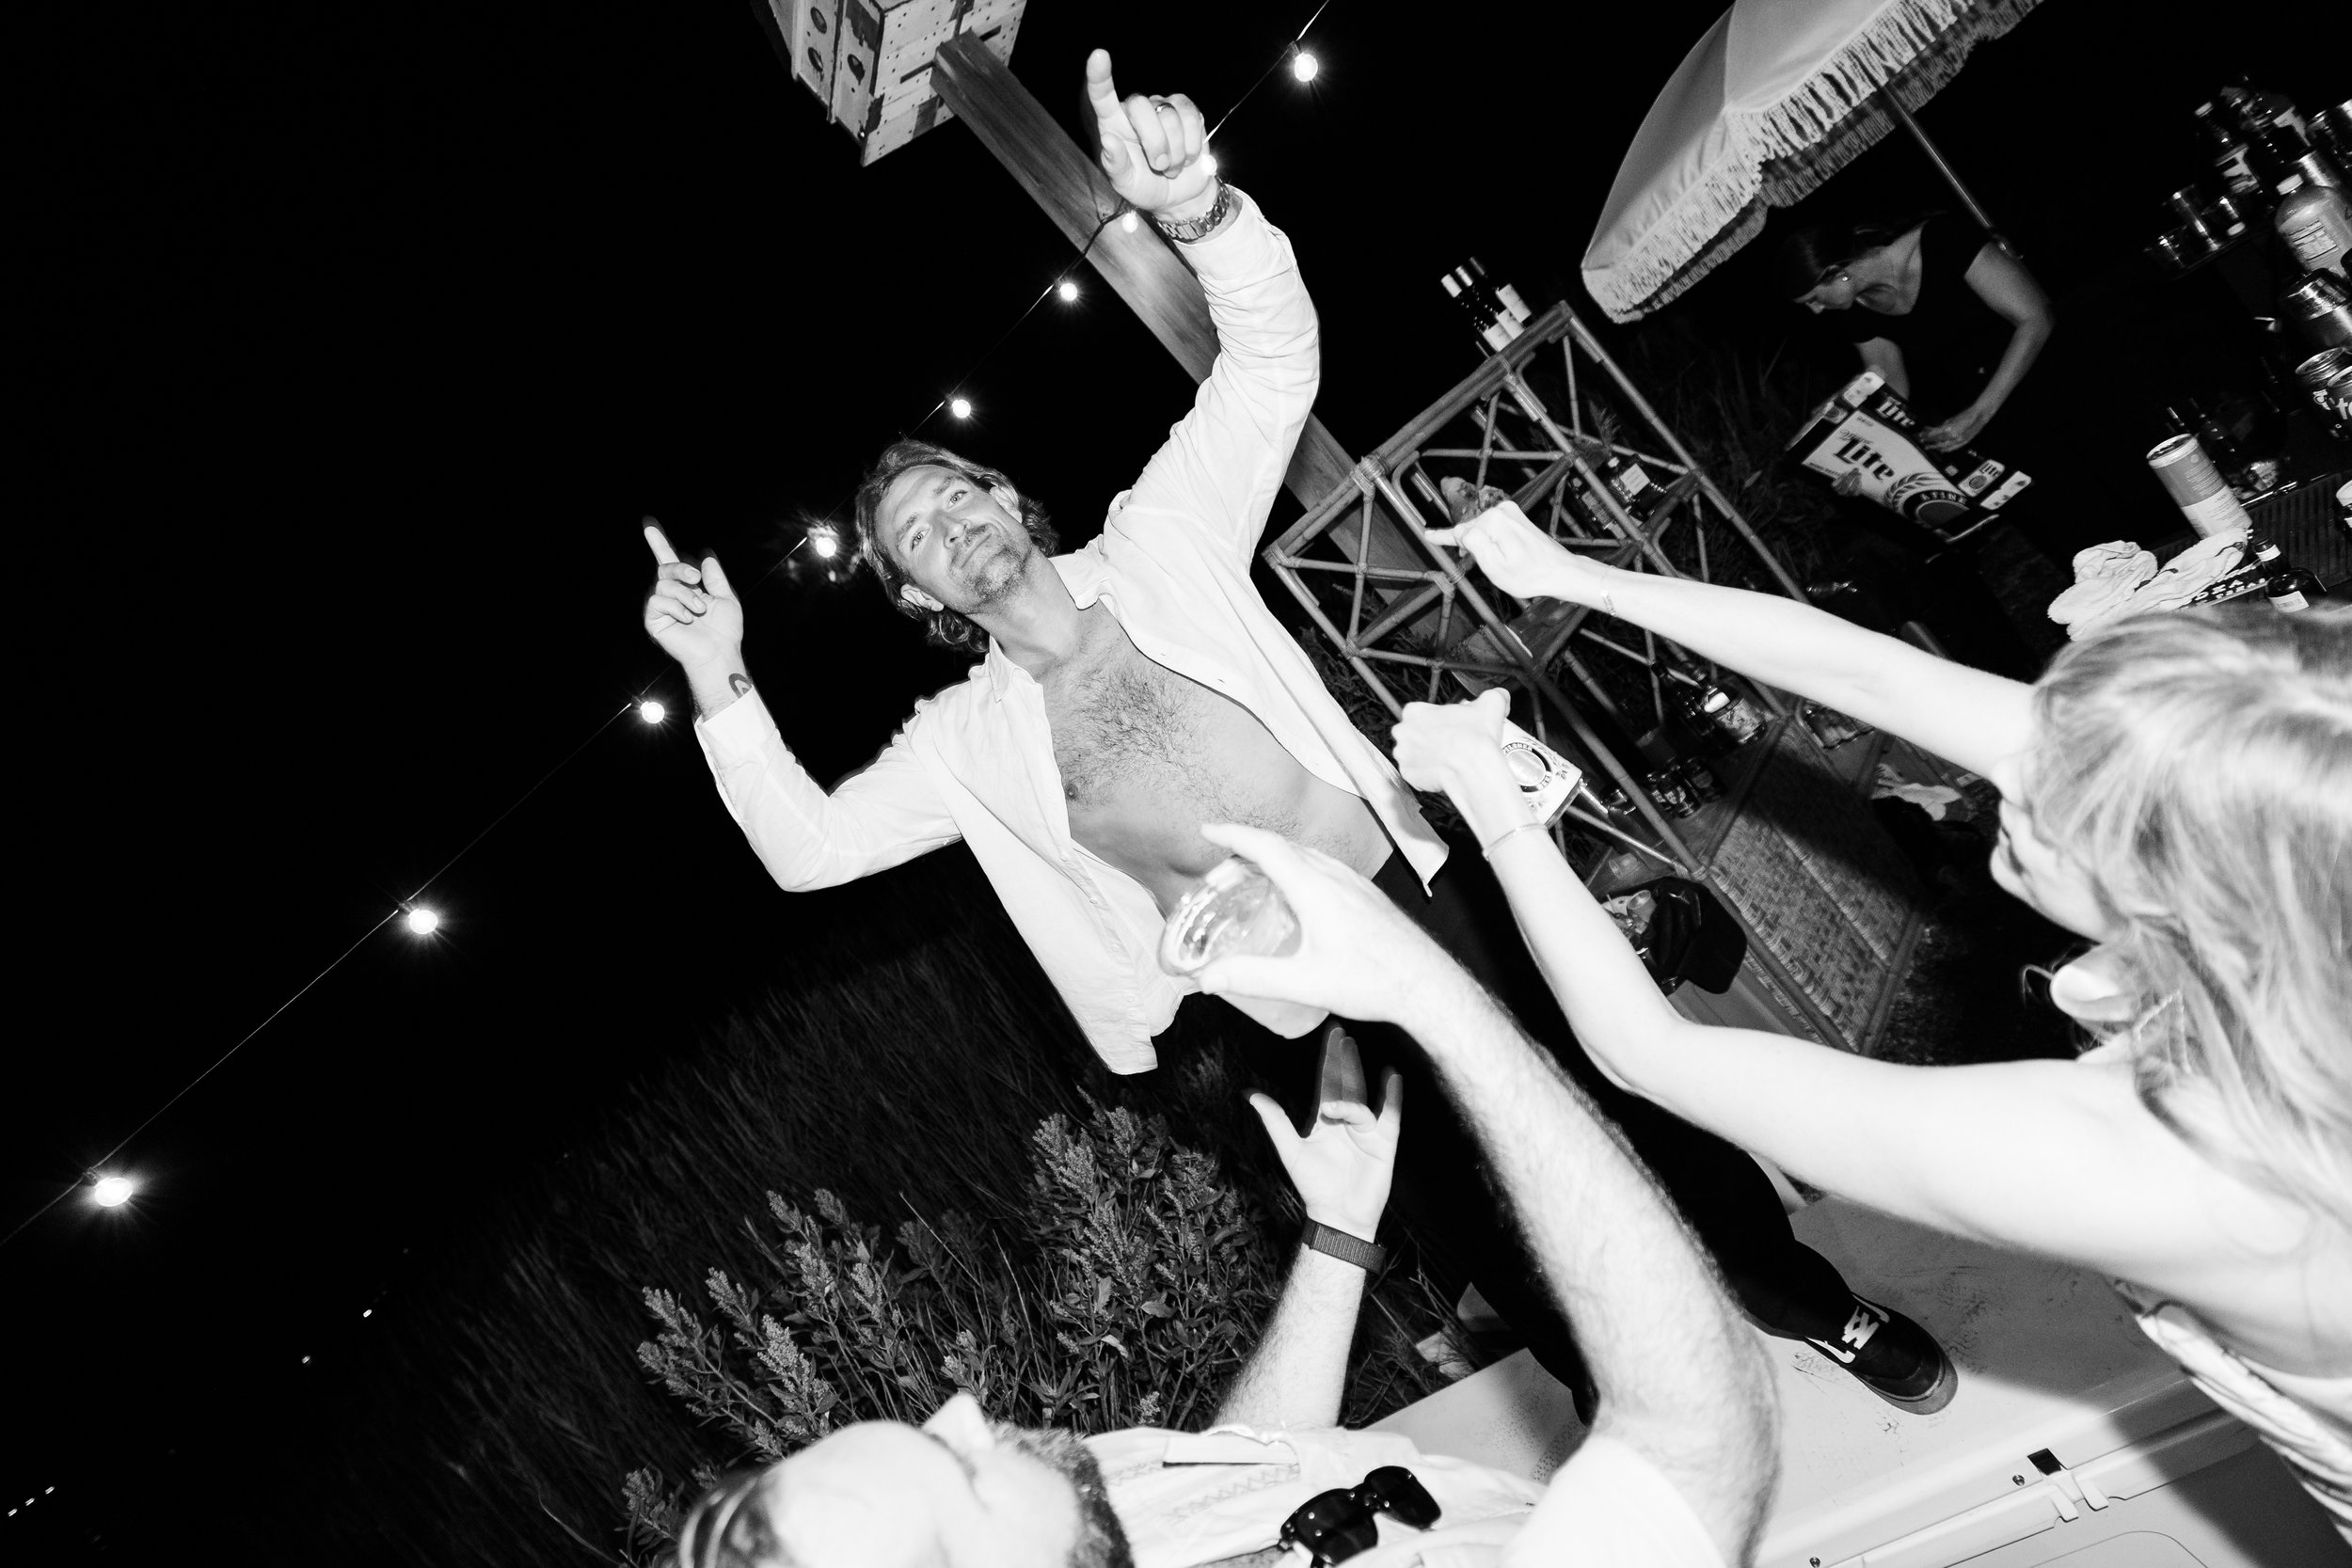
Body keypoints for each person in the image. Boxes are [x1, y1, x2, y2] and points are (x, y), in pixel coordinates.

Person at [643, 50, 1947, 1412]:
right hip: (1303, 1002)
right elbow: (809, 850)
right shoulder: (961, 746)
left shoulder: (1160, 537)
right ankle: (1637, 1409)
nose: (953, 525)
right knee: (1501, 1222)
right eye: (919, 537)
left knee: (1623, 1082)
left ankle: (1810, 1300)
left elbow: (1270, 367)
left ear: (1008, 497)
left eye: (958, 493)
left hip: (1424, 895)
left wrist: (1200, 213)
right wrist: (721, 680)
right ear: (920, 596)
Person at [1419, 498, 2352, 1540]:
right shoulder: (2263, 812)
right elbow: (1879, 676)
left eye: (2056, 804)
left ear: (2188, 894)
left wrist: (1495, 807)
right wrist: (1574, 576)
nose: (2009, 785)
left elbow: (1648, 1052)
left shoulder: (2174, 1162)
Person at [669, 824, 1779, 1568]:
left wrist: (1338, 1236)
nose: (961, 1412)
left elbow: (1236, 1465)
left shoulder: (1074, 1497)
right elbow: (1698, 1439)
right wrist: (1440, 1004)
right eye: (953, 1468)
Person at [1777, 212, 2064, 676]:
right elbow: (1887, 385)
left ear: (1837, 271)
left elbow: (2036, 317)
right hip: (1989, 436)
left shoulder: (1944, 239)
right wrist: (1855, 458)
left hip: (2051, 396)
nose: (1815, 311)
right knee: (2072, 551)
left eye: (1813, 298)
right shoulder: (1856, 309)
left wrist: (1981, 410)